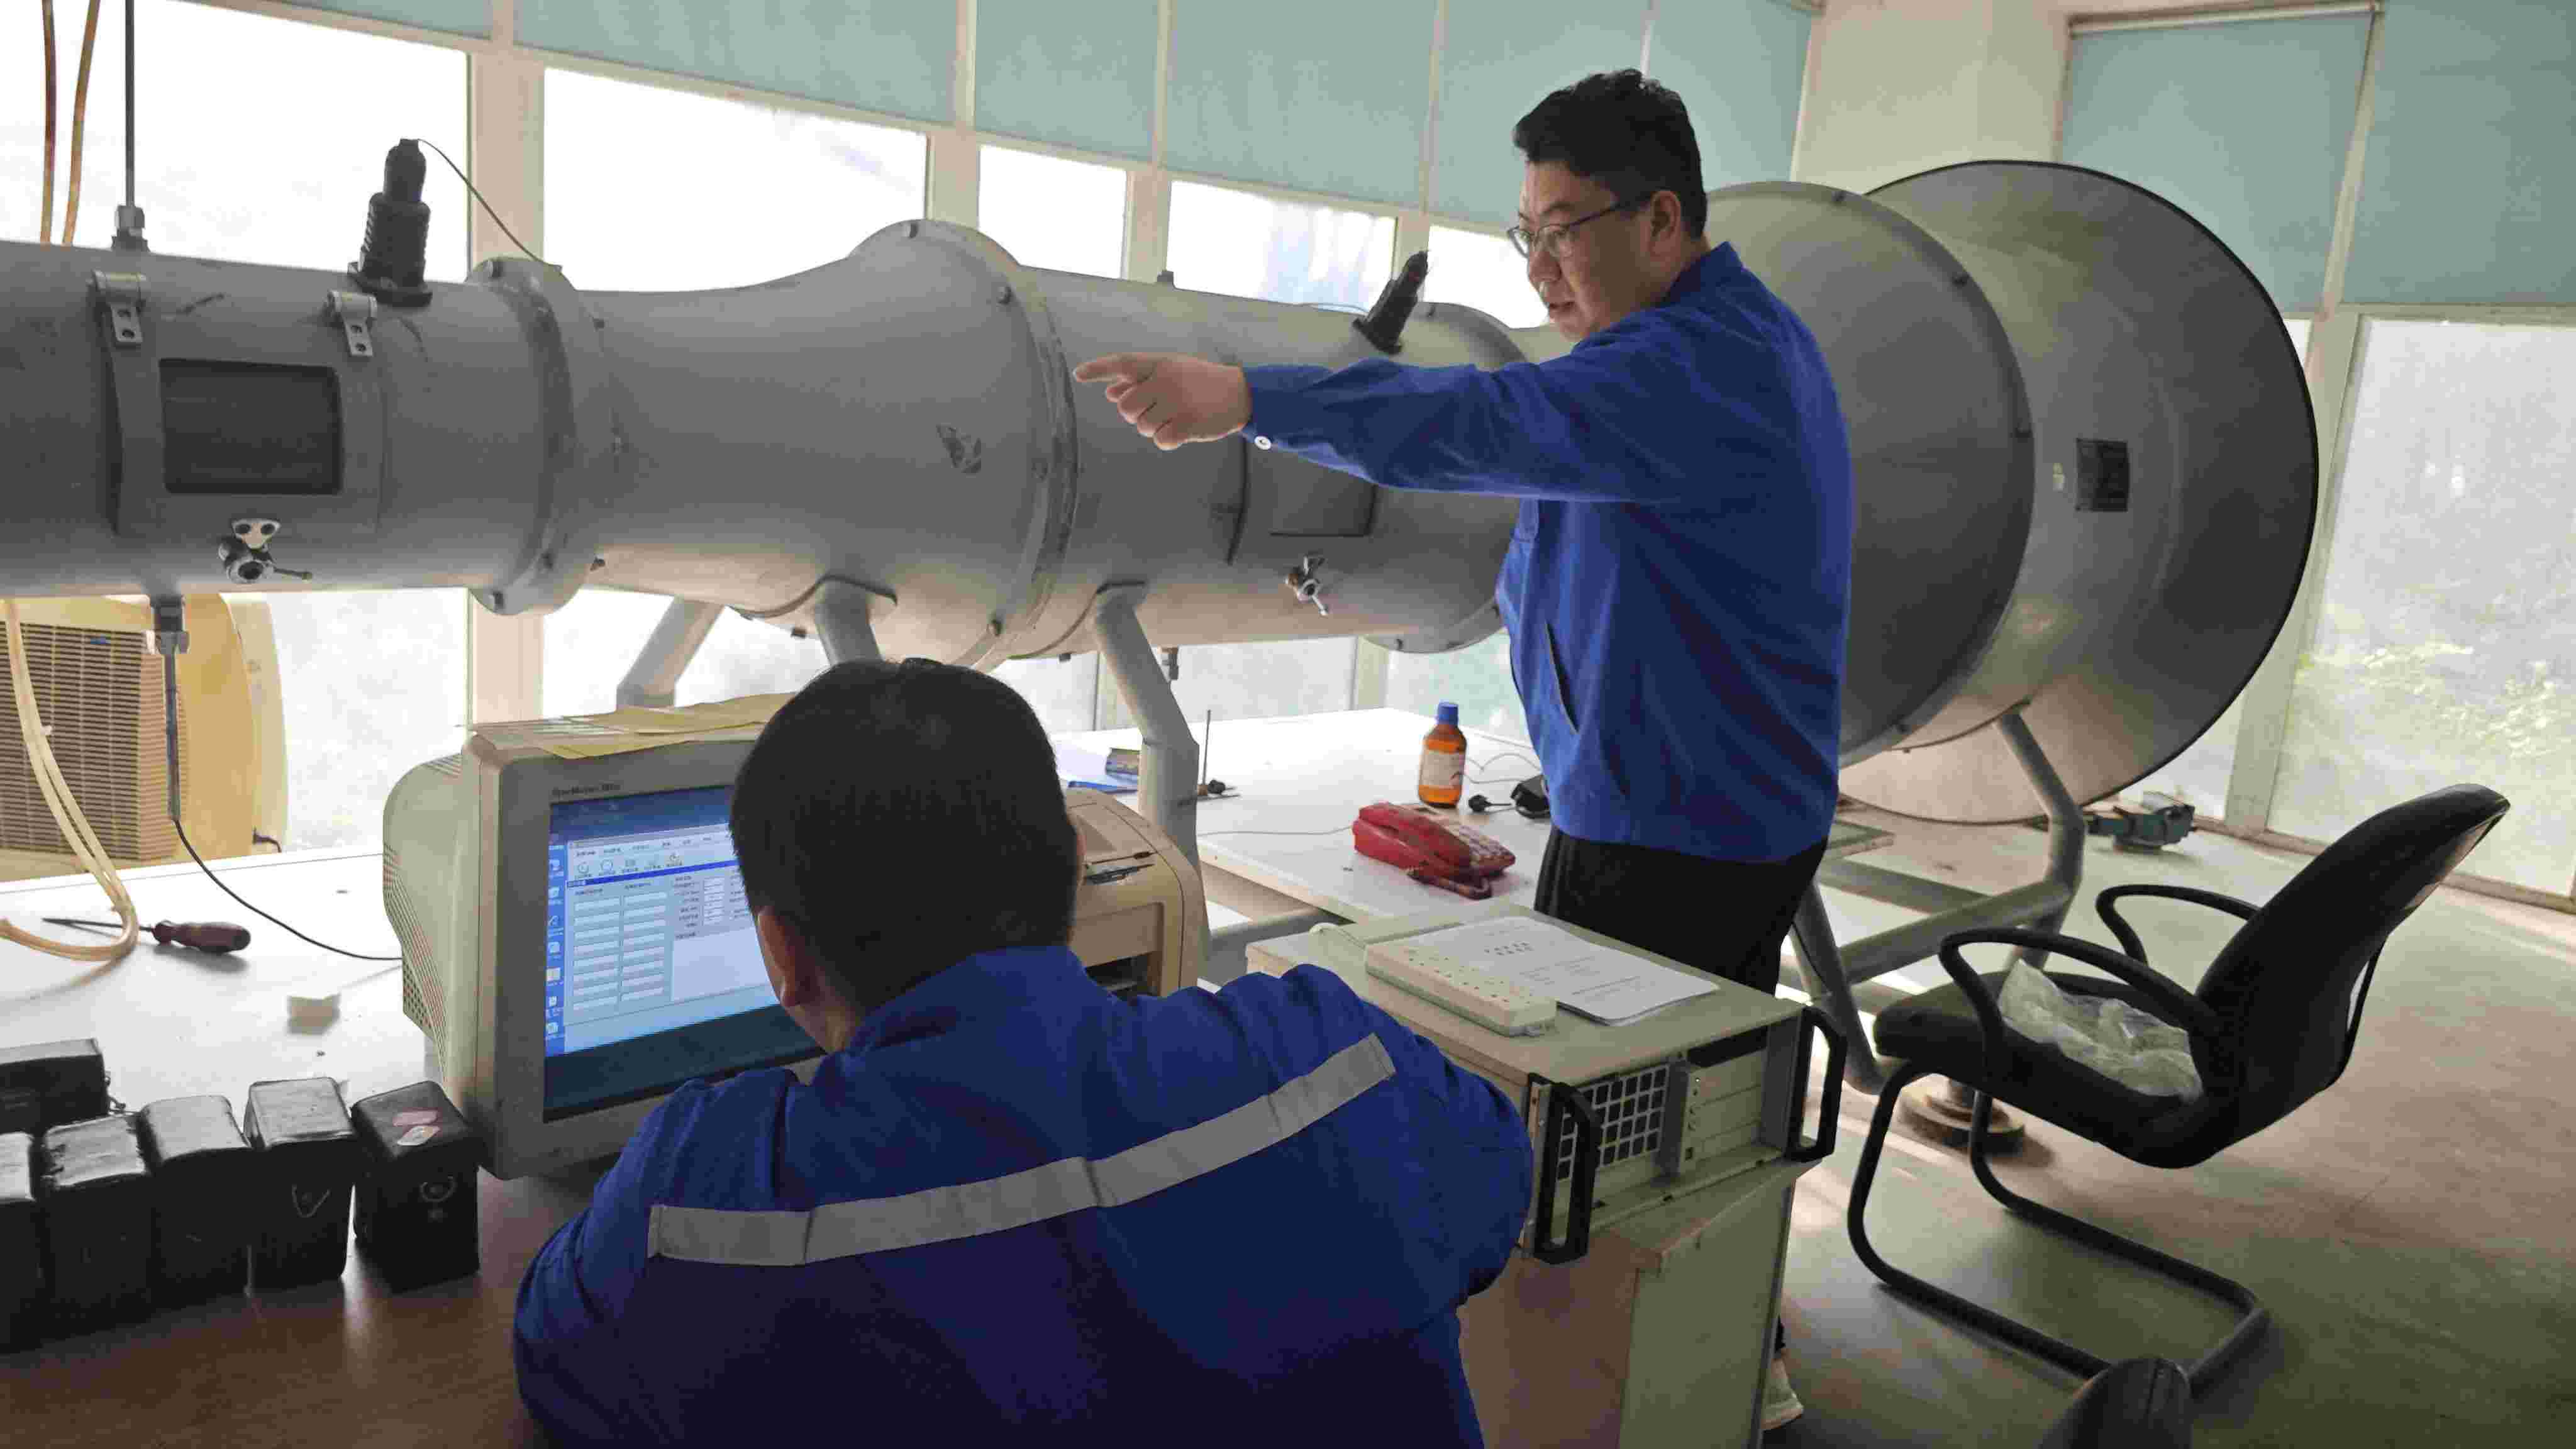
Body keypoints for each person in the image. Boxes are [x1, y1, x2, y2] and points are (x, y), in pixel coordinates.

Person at [1074, 70, 1852, 1430]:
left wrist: (1246, 395)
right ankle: (1717, 1346)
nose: (1539, 268)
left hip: (1678, 827)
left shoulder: (1696, 366)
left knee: (1617, 1125)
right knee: (1678, 1098)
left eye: (1563, 232)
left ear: (1662, 220)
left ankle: (1651, 1375)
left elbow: (1476, 428)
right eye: (1523, 236)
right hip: (1689, 800)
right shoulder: (1689, 348)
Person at [512, 659, 1533, 1446]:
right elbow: (1494, 1195)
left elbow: (560, 1358)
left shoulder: (700, 1213)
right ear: (1078, 867)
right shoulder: (1336, 1062)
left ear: (781, 955)